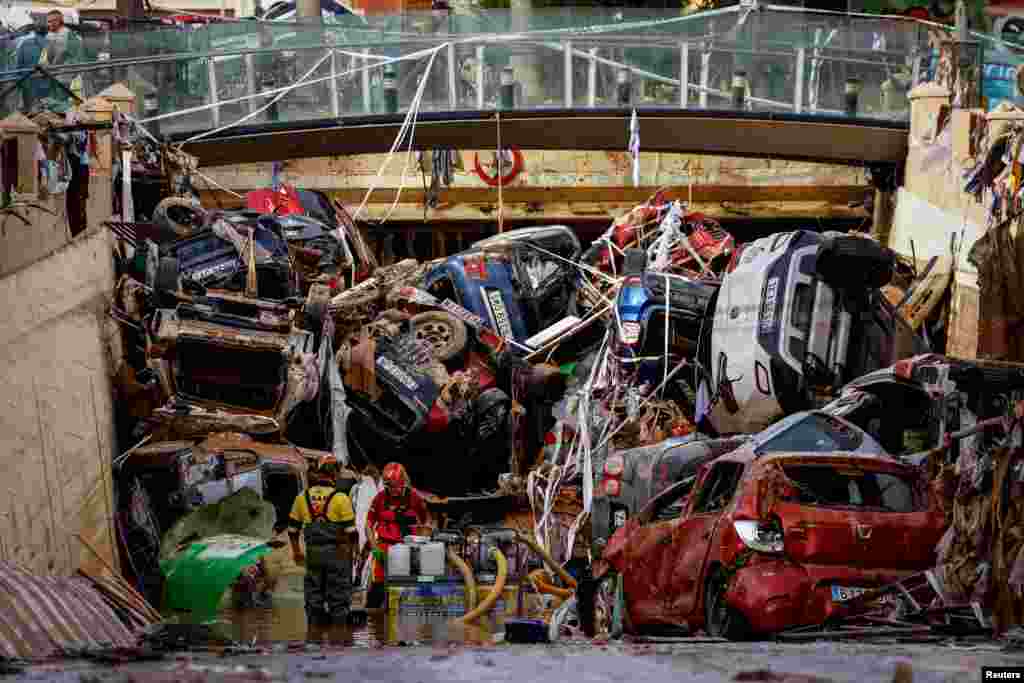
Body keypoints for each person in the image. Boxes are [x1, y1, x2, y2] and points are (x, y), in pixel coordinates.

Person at [286, 454, 358, 644]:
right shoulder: (341, 498)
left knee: (314, 596)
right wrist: (352, 553)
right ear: (334, 474)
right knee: (339, 598)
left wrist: (296, 551)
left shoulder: (302, 498)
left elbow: (292, 530)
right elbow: (352, 533)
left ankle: (313, 638)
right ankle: (339, 638)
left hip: (313, 555)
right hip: (337, 555)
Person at [364, 462, 429, 608]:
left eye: (395, 486)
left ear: (403, 483)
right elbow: (368, 524)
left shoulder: (414, 498)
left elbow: (426, 522)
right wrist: (374, 548)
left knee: (409, 590)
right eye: (389, 486)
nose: (392, 490)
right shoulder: (380, 498)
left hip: (408, 549)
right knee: (377, 588)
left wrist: (423, 544)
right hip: (383, 548)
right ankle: (374, 622)